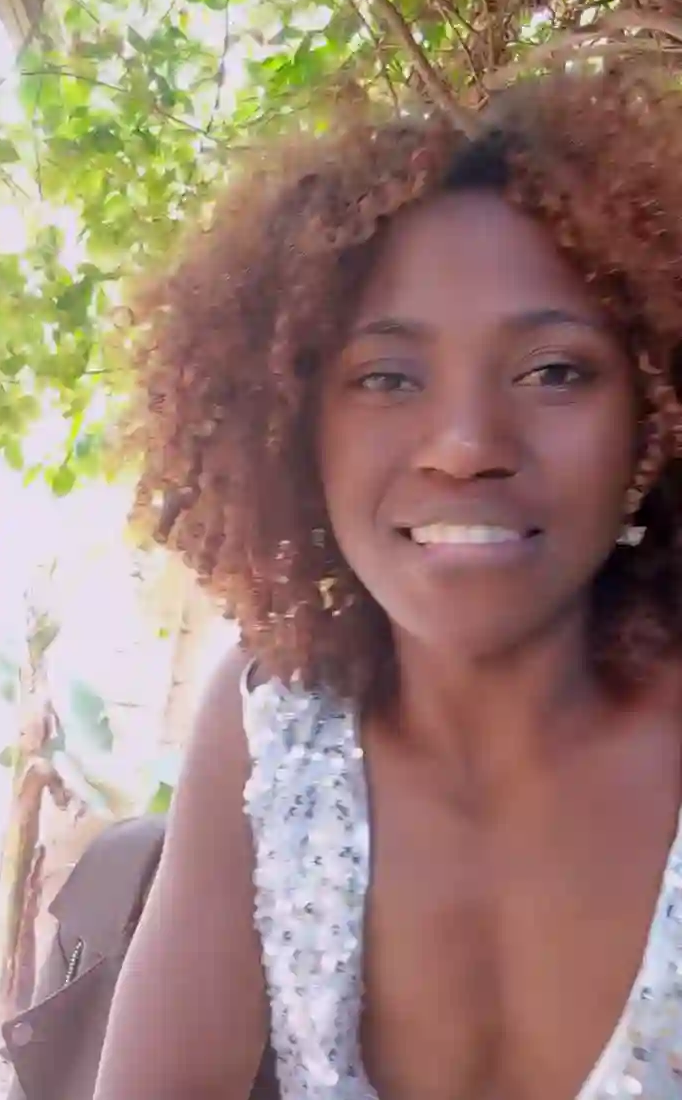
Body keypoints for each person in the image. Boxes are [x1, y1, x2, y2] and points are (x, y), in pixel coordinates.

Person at [93, 69, 682, 1100]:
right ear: (290, 427)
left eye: (553, 371)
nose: (466, 445)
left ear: (653, 415)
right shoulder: (273, 730)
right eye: (386, 377)